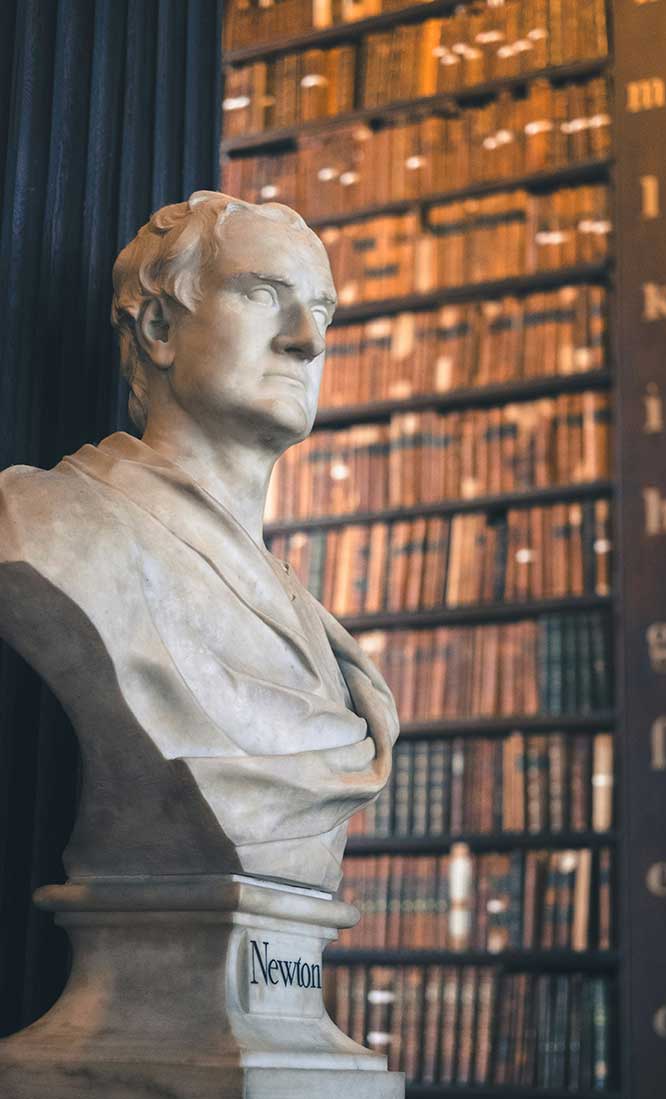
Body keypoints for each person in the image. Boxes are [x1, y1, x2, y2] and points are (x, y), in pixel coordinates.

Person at [0, 191, 398, 892]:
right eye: (263, 295)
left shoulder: (305, 618)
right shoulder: (42, 526)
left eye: (324, 309)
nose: (309, 338)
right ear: (159, 326)